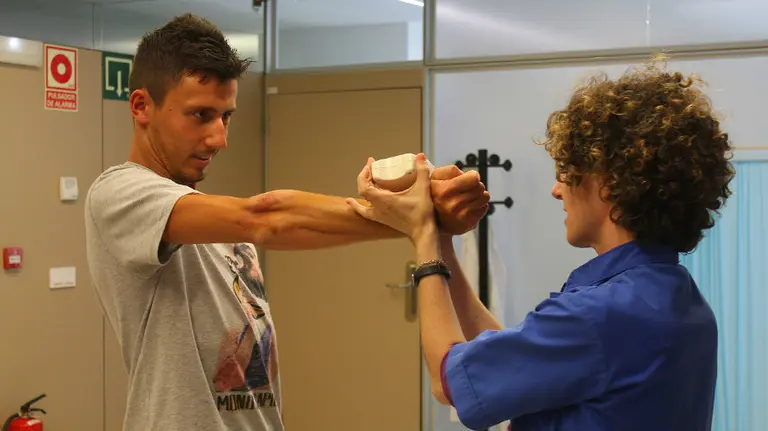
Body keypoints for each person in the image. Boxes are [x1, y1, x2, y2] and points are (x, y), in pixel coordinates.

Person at [83, 13, 489, 431]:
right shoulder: (119, 194)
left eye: (226, 116)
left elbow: (287, 228)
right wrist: (418, 218)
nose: (219, 138)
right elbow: (267, 218)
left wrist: (423, 220)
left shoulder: (208, 222)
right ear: (140, 106)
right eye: (201, 115)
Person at [349, 58, 735, 431]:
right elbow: (497, 363)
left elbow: (447, 380)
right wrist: (444, 240)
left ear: (610, 183)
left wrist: (423, 236)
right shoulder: (679, 302)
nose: (556, 190)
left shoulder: (602, 314)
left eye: (566, 173)